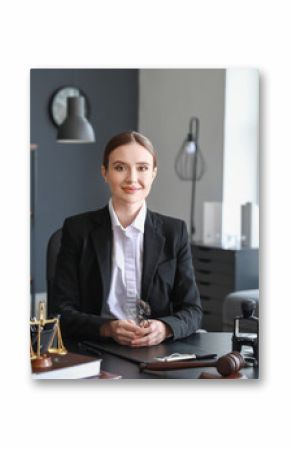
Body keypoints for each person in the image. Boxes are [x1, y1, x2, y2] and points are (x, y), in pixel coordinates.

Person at [53, 131, 202, 346]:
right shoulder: (77, 230)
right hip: (96, 349)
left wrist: (165, 327)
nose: (132, 178)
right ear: (105, 172)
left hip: (158, 353)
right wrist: (106, 328)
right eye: (120, 167)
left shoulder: (174, 232)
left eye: (142, 168)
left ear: (153, 173)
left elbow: (193, 311)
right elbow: (60, 312)